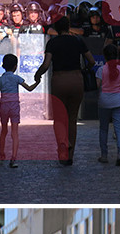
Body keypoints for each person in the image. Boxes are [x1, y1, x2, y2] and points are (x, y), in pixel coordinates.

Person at [30, 16, 94, 165]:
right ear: (69, 26)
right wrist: (84, 70)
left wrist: (37, 75)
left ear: (56, 28)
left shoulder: (52, 43)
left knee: (59, 118)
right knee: (72, 118)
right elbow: (91, 60)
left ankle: (63, 145)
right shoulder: (78, 40)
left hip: (59, 80)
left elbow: (46, 64)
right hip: (76, 80)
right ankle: (70, 155)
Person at [0, 53, 32, 167]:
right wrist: (37, 82)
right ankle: (13, 158)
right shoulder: (16, 78)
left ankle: (1, 154)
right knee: (15, 133)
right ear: (15, 66)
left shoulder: (0, 80)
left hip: (3, 106)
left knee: (3, 131)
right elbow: (29, 88)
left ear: (3, 65)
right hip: (14, 106)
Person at [97, 43, 120, 166]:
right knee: (119, 129)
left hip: (104, 101)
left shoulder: (101, 70)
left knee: (103, 129)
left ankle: (104, 155)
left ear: (105, 56)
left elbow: (97, 86)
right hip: (118, 101)